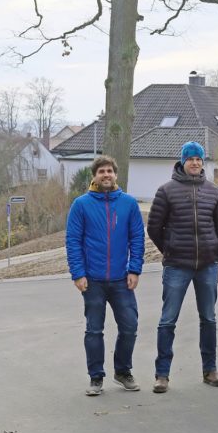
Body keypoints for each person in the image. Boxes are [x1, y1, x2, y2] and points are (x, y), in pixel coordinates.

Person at [146, 141, 218, 393]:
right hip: (177, 266)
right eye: (190, 158)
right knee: (167, 320)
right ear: (182, 161)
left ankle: (210, 370)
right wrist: (169, 249)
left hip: (207, 266)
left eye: (199, 159)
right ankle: (162, 375)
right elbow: (154, 228)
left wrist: (215, 253)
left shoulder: (214, 191)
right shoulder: (166, 191)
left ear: (203, 162)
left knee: (209, 319)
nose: (195, 162)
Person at [65, 155, 145, 397]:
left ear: (116, 175)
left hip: (122, 278)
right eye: (101, 171)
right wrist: (78, 274)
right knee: (94, 330)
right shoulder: (81, 205)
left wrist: (134, 269)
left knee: (129, 326)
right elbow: (73, 242)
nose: (106, 175)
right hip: (93, 280)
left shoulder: (129, 204)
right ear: (95, 176)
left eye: (110, 171)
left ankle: (123, 371)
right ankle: (96, 377)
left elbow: (137, 238)